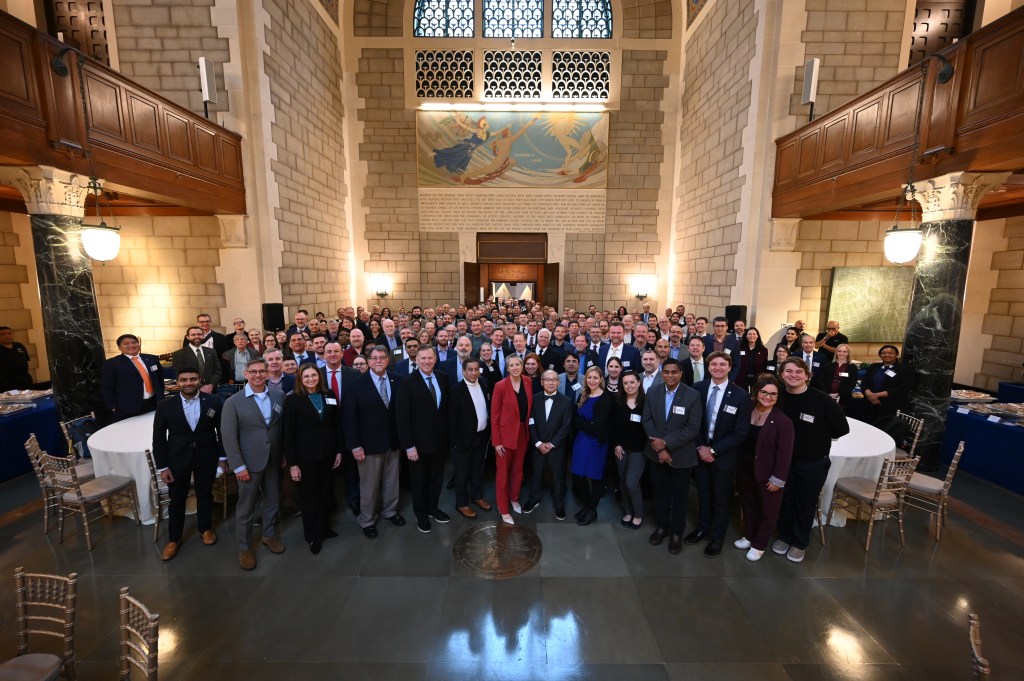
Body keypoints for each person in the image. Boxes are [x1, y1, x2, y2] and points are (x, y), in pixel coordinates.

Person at [773, 356, 849, 563]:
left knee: (805, 503)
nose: (793, 375)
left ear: (807, 375)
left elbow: (841, 429)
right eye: (788, 371)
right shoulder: (778, 398)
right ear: (781, 375)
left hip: (813, 463)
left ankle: (799, 542)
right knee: (785, 501)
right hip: (784, 462)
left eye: (798, 372)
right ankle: (784, 536)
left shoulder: (822, 400)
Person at [152, 367, 225, 561]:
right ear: (177, 383)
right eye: (184, 380)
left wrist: (223, 458)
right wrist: (163, 467)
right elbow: (158, 440)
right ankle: (173, 539)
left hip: (207, 456)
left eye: (193, 379)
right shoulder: (165, 406)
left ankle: (205, 529)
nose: (189, 383)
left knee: (205, 494)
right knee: (177, 499)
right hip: (177, 459)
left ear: (200, 380)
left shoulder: (214, 401)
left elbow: (221, 431)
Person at [221, 358, 287, 570]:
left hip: (274, 459)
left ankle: (269, 535)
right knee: (246, 507)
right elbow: (228, 437)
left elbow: (280, 427)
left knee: (273, 500)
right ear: (246, 374)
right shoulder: (233, 402)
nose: (258, 375)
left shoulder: (278, 395)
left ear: (268, 373)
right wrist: (238, 465)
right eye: (253, 372)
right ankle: (245, 547)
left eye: (262, 371)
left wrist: (284, 454)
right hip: (248, 463)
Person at [691, 352, 752, 557]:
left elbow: (741, 432)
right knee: (703, 494)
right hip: (700, 453)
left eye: (722, 364)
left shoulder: (741, 395)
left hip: (723, 457)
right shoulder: (697, 389)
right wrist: (701, 447)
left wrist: (713, 450)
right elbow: (693, 423)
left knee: (721, 499)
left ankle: (717, 537)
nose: (717, 367)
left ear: (729, 367)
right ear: (708, 367)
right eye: (714, 364)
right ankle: (703, 528)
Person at [342, 347, 404, 539]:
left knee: (391, 481)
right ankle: (367, 519)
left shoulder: (398, 380)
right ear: (368, 362)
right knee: (369, 486)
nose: (378, 361)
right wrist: (355, 445)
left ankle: (390, 511)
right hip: (367, 445)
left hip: (393, 442)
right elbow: (349, 419)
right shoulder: (355, 385)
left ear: (388, 360)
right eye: (374, 358)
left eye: (382, 357)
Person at [642, 358, 702, 554]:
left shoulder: (692, 395)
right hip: (656, 454)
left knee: (680, 497)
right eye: (666, 372)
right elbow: (647, 420)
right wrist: (660, 448)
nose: (669, 375)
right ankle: (662, 527)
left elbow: (692, 428)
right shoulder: (653, 392)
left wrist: (666, 443)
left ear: (681, 373)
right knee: (659, 493)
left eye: (673, 372)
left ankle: (677, 532)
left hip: (681, 456)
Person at [283, 364, 342, 554]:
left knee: (326, 493)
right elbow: (288, 434)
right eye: (306, 376)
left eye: (313, 375)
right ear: (301, 379)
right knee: (310, 497)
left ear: (319, 376)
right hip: (305, 457)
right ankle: (313, 535)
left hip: (328, 454)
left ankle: (324, 528)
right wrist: (293, 464)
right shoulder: (293, 400)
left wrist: (339, 451)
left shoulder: (329, 394)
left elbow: (336, 425)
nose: (310, 379)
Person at [735, 375, 793, 561]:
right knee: (748, 504)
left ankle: (759, 544)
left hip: (768, 473)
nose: (768, 397)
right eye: (764, 392)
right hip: (745, 468)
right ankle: (750, 536)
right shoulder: (747, 411)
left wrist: (778, 479)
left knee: (767, 510)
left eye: (773, 394)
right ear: (756, 392)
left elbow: (785, 454)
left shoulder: (783, 421)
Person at [395, 345, 451, 534]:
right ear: (416, 360)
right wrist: (408, 446)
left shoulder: (443, 378)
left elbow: (444, 411)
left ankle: (433, 508)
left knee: (436, 478)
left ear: (435, 359)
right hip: (417, 445)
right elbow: (402, 418)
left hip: (439, 442)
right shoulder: (406, 383)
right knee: (419, 481)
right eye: (423, 359)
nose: (427, 361)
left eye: (430, 358)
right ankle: (421, 514)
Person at [490, 355, 534, 525]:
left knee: (517, 470)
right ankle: (503, 508)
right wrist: (497, 441)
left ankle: (514, 499)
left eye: (518, 364)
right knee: (502, 473)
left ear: (522, 366)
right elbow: (494, 415)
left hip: (523, 432)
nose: (515, 367)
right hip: (504, 436)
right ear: (507, 368)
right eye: (512, 365)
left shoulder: (528, 382)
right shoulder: (500, 386)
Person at [523, 370, 573, 518]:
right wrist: (538, 443)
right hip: (538, 446)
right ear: (542, 382)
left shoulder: (566, 401)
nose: (551, 383)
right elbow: (530, 423)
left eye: (554, 380)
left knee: (558, 477)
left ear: (558, 382)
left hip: (556, 448)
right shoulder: (534, 399)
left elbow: (566, 427)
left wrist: (551, 444)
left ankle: (559, 504)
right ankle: (534, 499)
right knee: (536, 474)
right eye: (547, 380)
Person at [449, 358, 492, 519]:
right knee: (462, 473)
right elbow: (451, 420)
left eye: (476, 369)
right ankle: (462, 503)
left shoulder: (484, 383)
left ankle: (477, 496)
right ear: (463, 371)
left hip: (481, 436)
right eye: (470, 370)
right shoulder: (456, 390)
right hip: (463, 440)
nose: (474, 373)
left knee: (478, 469)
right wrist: (454, 443)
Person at [570, 366, 613, 526]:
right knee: (578, 475)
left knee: (594, 477)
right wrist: (585, 423)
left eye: (595, 378)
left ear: (601, 379)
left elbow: (595, 428)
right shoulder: (583, 395)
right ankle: (587, 506)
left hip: (596, 444)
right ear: (585, 379)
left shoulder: (605, 399)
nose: (592, 381)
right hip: (581, 441)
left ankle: (592, 510)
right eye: (589, 377)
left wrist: (581, 422)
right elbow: (574, 418)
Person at [321, 341, 360, 515]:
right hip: (326, 429)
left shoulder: (354, 373)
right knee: (327, 468)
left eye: (336, 351)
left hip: (350, 426)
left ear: (342, 353)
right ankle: (329, 502)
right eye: (328, 352)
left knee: (352, 467)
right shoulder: (317, 375)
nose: (332, 354)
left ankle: (354, 499)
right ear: (323, 354)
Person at [611, 370, 647, 529]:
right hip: (621, 448)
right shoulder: (617, 401)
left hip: (639, 450)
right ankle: (628, 511)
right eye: (625, 383)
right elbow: (610, 426)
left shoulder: (646, 401)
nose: (629, 385)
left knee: (632, 482)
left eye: (632, 382)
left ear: (639, 383)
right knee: (622, 481)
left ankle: (638, 513)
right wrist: (616, 444)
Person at [100, 334, 165, 422]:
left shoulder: (151, 358)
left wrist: (161, 397)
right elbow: (107, 387)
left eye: (134, 342)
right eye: (126, 343)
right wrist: (113, 407)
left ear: (138, 344)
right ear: (119, 347)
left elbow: (159, 379)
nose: (131, 345)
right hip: (127, 408)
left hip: (153, 404)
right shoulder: (112, 364)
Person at [861, 344, 913, 423]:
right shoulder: (874, 366)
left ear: (896, 355)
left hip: (889, 406)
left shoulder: (904, 369)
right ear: (880, 355)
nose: (887, 355)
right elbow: (864, 382)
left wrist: (876, 395)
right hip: (870, 404)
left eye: (891, 353)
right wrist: (869, 394)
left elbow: (902, 389)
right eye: (884, 353)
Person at [172, 326, 222, 391]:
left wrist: (210, 385)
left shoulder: (211, 351)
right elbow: (180, 374)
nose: (197, 336)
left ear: (203, 336)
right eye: (193, 335)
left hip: (211, 390)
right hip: (191, 390)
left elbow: (218, 371)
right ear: (187, 337)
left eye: (199, 334)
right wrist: (198, 387)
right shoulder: (179, 354)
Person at [814, 343, 857, 408]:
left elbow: (852, 384)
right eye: (839, 351)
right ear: (836, 352)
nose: (841, 353)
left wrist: (839, 394)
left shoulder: (853, 367)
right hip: (827, 396)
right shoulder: (828, 365)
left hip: (844, 399)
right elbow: (821, 379)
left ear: (848, 353)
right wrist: (827, 392)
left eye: (844, 352)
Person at [0, 326, 32, 391]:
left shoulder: (19, 345)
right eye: (3, 334)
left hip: (24, 380)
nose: (7, 336)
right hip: (6, 383)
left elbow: (26, 360)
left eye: (9, 333)